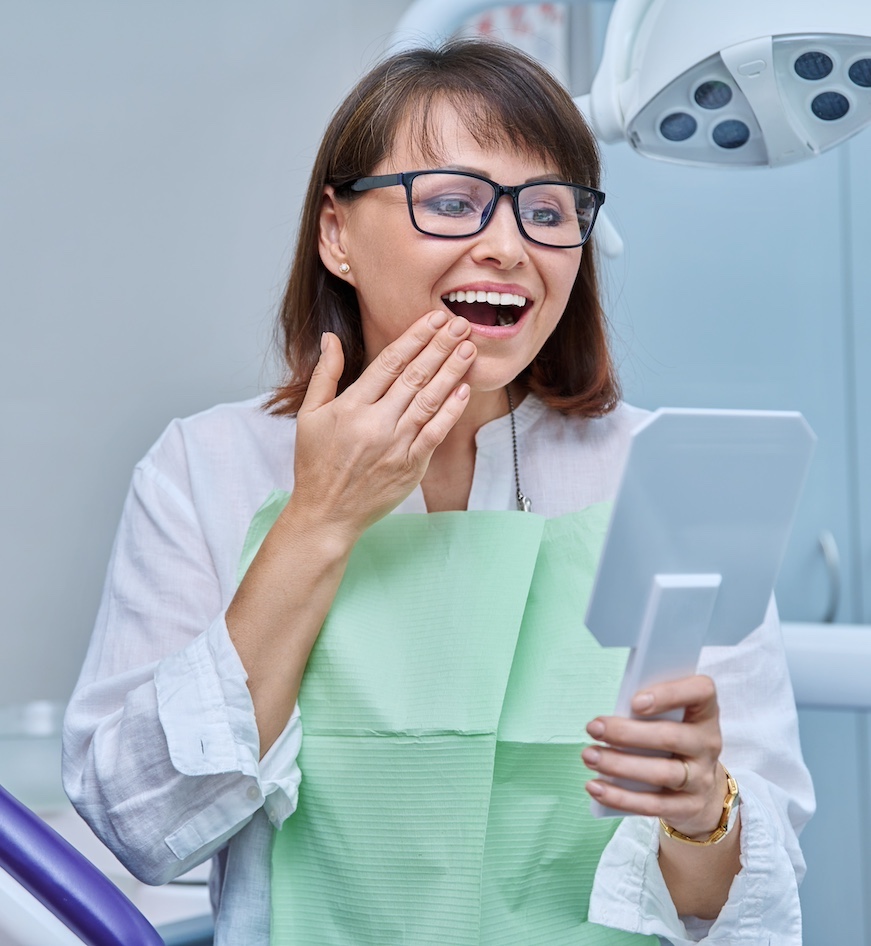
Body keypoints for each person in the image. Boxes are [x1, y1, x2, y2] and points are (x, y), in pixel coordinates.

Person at [63, 39, 813, 946]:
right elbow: (134, 824)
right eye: (453, 202)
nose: (508, 248)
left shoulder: (671, 475)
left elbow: (740, 905)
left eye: (547, 212)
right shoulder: (205, 468)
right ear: (336, 234)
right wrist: (319, 518)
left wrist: (702, 812)